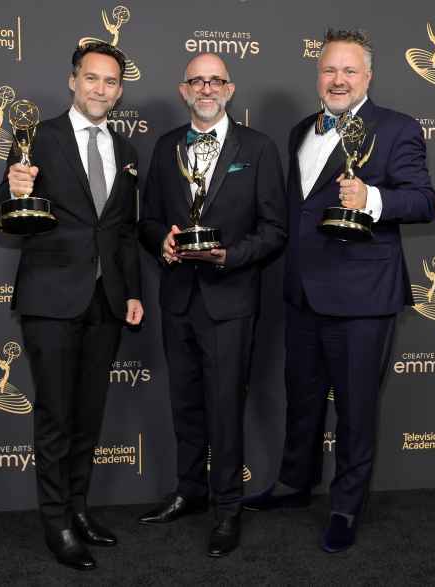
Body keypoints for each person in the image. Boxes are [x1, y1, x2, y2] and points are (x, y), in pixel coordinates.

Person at [243, 29, 435, 553]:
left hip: (362, 297)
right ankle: (292, 483)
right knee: (301, 400)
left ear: (368, 77)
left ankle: (346, 506)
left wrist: (371, 196)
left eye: (350, 71)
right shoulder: (302, 130)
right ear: (318, 75)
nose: (338, 79)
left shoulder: (396, 129)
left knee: (354, 409)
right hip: (302, 292)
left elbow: (422, 201)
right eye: (330, 70)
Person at [0, 41, 144, 571]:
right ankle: (55, 520)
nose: (100, 89)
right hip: (52, 300)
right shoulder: (38, 137)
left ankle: (79, 509)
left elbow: (123, 231)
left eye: (110, 82)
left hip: (105, 302)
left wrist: (133, 293)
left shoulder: (125, 150)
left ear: (119, 91)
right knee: (56, 415)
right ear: (73, 81)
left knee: (88, 414)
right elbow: (2, 212)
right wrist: (12, 190)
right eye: (91, 78)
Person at [137, 53, 287, 557]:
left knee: (225, 408)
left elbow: (275, 230)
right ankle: (189, 491)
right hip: (177, 296)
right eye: (196, 81)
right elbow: (148, 220)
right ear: (183, 91)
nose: (206, 89)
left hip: (230, 299)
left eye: (215, 80)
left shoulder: (259, 149)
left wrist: (230, 256)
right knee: (185, 405)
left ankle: (227, 508)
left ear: (230, 88)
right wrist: (162, 241)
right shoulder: (164, 149)